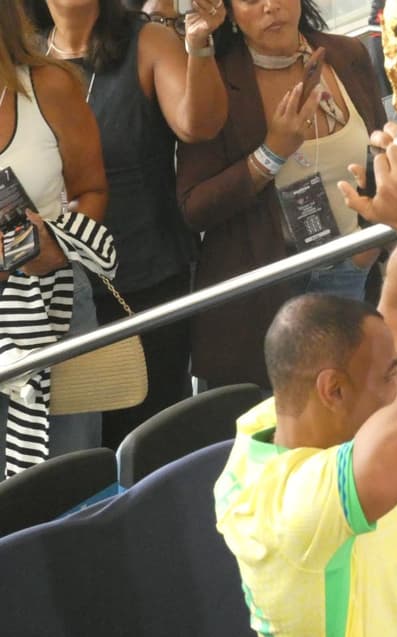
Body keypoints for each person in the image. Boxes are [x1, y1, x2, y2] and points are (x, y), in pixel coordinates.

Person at [213, 137, 397, 636]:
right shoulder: (296, 510)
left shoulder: (280, 419)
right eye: (390, 378)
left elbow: (396, 319)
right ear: (333, 390)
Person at [24, 0, 228, 450]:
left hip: (145, 280)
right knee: (73, 452)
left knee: (153, 441)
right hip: (57, 294)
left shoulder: (147, 38)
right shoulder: (27, 57)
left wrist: (198, 46)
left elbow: (199, 124)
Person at [176, 0, 386, 389]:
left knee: (360, 423)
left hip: (352, 271)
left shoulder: (345, 54)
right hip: (267, 289)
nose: (271, 7)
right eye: (251, 0)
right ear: (230, 12)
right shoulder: (218, 79)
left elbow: (379, 161)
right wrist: (269, 156)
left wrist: (366, 249)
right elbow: (194, 207)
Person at [0, 0, 114, 476]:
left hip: (55, 304)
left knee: (70, 478)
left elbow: (93, 190)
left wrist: (55, 243)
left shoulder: (48, 87)